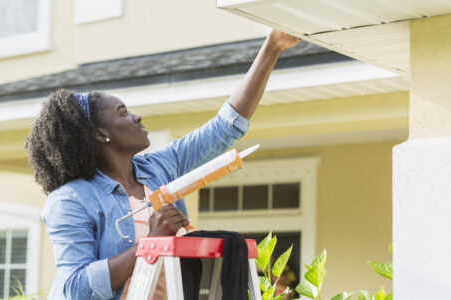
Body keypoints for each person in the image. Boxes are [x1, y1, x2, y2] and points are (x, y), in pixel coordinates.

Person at [26, 29, 300, 300]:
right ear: (101, 134)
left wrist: (273, 47)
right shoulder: (71, 199)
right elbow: (74, 288)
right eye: (123, 113)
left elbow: (225, 128)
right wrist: (150, 244)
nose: (137, 117)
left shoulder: (158, 168)